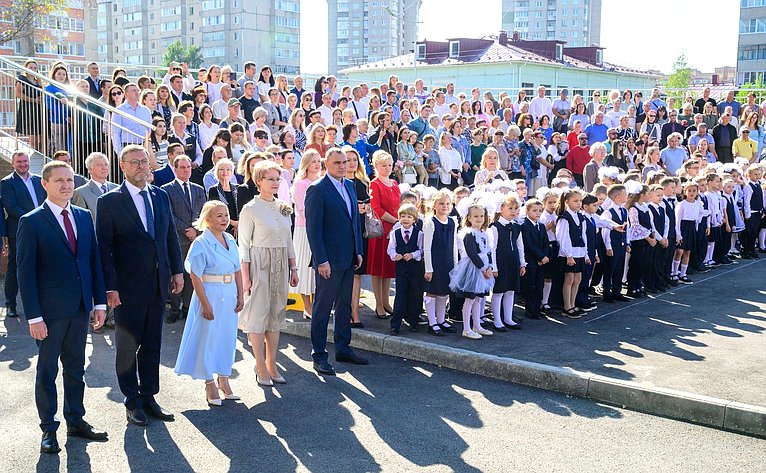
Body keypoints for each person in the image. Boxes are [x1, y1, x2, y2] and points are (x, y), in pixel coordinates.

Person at [17, 161, 108, 454]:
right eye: (59, 180)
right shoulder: (31, 221)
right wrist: (34, 316)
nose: (66, 185)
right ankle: (48, 429)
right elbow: (25, 274)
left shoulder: (82, 217)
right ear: (44, 184)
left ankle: (76, 421)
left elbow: (93, 261)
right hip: (49, 314)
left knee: (75, 369)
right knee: (46, 372)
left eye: (69, 180)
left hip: (80, 308)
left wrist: (100, 302)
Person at [96, 145, 184, 426]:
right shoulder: (110, 201)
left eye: (145, 162)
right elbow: (104, 248)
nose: (142, 167)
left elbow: (169, 236)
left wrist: (177, 271)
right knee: (126, 346)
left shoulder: (160, 196)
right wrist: (110, 287)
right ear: (122, 166)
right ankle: (131, 400)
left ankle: (149, 396)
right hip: (126, 287)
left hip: (158, 284)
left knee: (152, 344)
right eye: (135, 163)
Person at [305, 147, 368, 375]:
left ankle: (343, 348)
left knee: (344, 306)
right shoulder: (317, 190)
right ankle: (319, 355)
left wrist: (358, 251)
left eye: (345, 162)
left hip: (349, 258)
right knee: (322, 308)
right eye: (337, 163)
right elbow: (313, 229)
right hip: (328, 262)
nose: (342, 166)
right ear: (326, 164)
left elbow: (354, 223)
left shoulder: (350, 185)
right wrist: (321, 260)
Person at [174, 201, 243, 406]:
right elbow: (195, 276)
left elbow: (237, 269)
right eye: (219, 215)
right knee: (208, 338)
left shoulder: (230, 239)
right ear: (208, 219)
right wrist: (205, 304)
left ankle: (224, 377)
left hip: (229, 293)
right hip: (210, 294)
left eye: (226, 214)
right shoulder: (201, 243)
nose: (224, 219)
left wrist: (241, 295)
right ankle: (209, 382)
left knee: (227, 337)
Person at [2, 151, 46, 318]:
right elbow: (11, 207)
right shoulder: (7, 183)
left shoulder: (37, 180)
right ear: (13, 164)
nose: (23, 164)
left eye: (25, 161)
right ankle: (10, 304)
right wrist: (33, 220)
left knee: (41, 265)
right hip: (18, 230)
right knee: (15, 266)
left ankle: (40, 303)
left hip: (41, 228)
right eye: (19, 162)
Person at [162, 155, 207, 323]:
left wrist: (196, 229)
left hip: (195, 238)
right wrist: (185, 229)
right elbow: (168, 215)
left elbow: (203, 212)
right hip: (177, 238)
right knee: (176, 273)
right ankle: (175, 308)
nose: (186, 170)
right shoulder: (166, 189)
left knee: (192, 273)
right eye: (182, 167)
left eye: (188, 167)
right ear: (175, 169)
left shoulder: (198, 189)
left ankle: (188, 306)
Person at [449, 202, 495, 339]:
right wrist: (482, 269)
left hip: (484, 268)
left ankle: (477, 325)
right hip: (473, 269)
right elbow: (472, 253)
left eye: (481, 216)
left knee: (479, 299)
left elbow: (488, 251)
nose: (479, 219)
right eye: (475, 216)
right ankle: (466, 328)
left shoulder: (484, 234)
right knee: (470, 299)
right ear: (469, 218)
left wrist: (490, 267)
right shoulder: (469, 234)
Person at [367, 151, 401, 317]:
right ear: (376, 166)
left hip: (394, 229)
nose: (387, 168)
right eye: (383, 165)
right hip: (381, 229)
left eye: (389, 164)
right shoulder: (374, 184)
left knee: (388, 267)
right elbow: (378, 209)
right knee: (377, 268)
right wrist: (396, 221)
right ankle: (379, 304)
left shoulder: (394, 183)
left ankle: (386, 301)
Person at [422, 190, 458, 335]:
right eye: (441, 203)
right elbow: (427, 248)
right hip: (435, 263)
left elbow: (454, 244)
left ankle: (441, 319)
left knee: (444, 293)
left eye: (448, 204)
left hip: (447, 262)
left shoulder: (452, 221)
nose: (445, 206)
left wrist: (455, 265)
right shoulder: (430, 223)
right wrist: (428, 269)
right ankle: (432, 322)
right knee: (432, 292)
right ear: (434, 205)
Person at [292, 150, 322, 320]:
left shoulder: (322, 181)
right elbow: (302, 210)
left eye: (318, 161)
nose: (317, 164)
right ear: (306, 164)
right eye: (313, 161)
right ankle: (308, 307)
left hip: (322, 229)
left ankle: (318, 305)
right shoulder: (300, 184)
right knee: (305, 267)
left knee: (319, 268)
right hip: (305, 229)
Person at [489, 194, 526, 331]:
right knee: (499, 291)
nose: (514, 211)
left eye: (516, 208)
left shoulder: (516, 227)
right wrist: (494, 266)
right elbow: (493, 248)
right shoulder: (495, 227)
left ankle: (508, 318)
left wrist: (522, 263)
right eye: (510, 208)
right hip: (501, 262)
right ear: (501, 209)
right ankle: (497, 320)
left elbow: (519, 245)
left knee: (510, 290)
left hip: (513, 261)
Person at [386, 203, 424, 335]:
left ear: (414, 219)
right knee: (400, 295)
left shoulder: (419, 234)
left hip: (414, 268)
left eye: (409, 216)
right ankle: (395, 324)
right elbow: (390, 248)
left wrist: (413, 255)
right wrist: (394, 255)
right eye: (403, 216)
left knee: (414, 293)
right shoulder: (395, 233)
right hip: (401, 268)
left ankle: (413, 321)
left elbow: (422, 250)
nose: (406, 219)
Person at [555, 190, 589, 318]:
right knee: (569, 279)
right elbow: (562, 237)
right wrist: (568, 255)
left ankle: (573, 304)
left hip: (579, 252)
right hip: (569, 254)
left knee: (577, 279)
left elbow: (583, 236)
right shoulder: (565, 218)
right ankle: (567, 306)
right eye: (575, 201)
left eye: (580, 201)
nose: (579, 203)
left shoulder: (581, 216)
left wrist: (585, 254)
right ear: (567, 202)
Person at [672, 182, 704, 283]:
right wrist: (678, 234)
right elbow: (677, 220)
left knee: (687, 252)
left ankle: (683, 274)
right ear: (685, 192)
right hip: (683, 227)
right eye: (689, 190)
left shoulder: (698, 204)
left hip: (692, 228)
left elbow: (700, 214)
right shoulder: (681, 204)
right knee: (679, 251)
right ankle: (674, 272)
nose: (691, 193)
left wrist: (698, 220)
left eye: (694, 191)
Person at [15, 59, 44, 151]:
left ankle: (41, 151)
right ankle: (34, 150)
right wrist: (33, 100)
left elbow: (43, 91)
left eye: (35, 68)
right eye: (30, 67)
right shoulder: (22, 79)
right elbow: (18, 94)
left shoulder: (38, 80)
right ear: (26, 68)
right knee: (32, 130)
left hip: (39, 109)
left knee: (41, 130)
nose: (33, 69)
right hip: (28, 108)